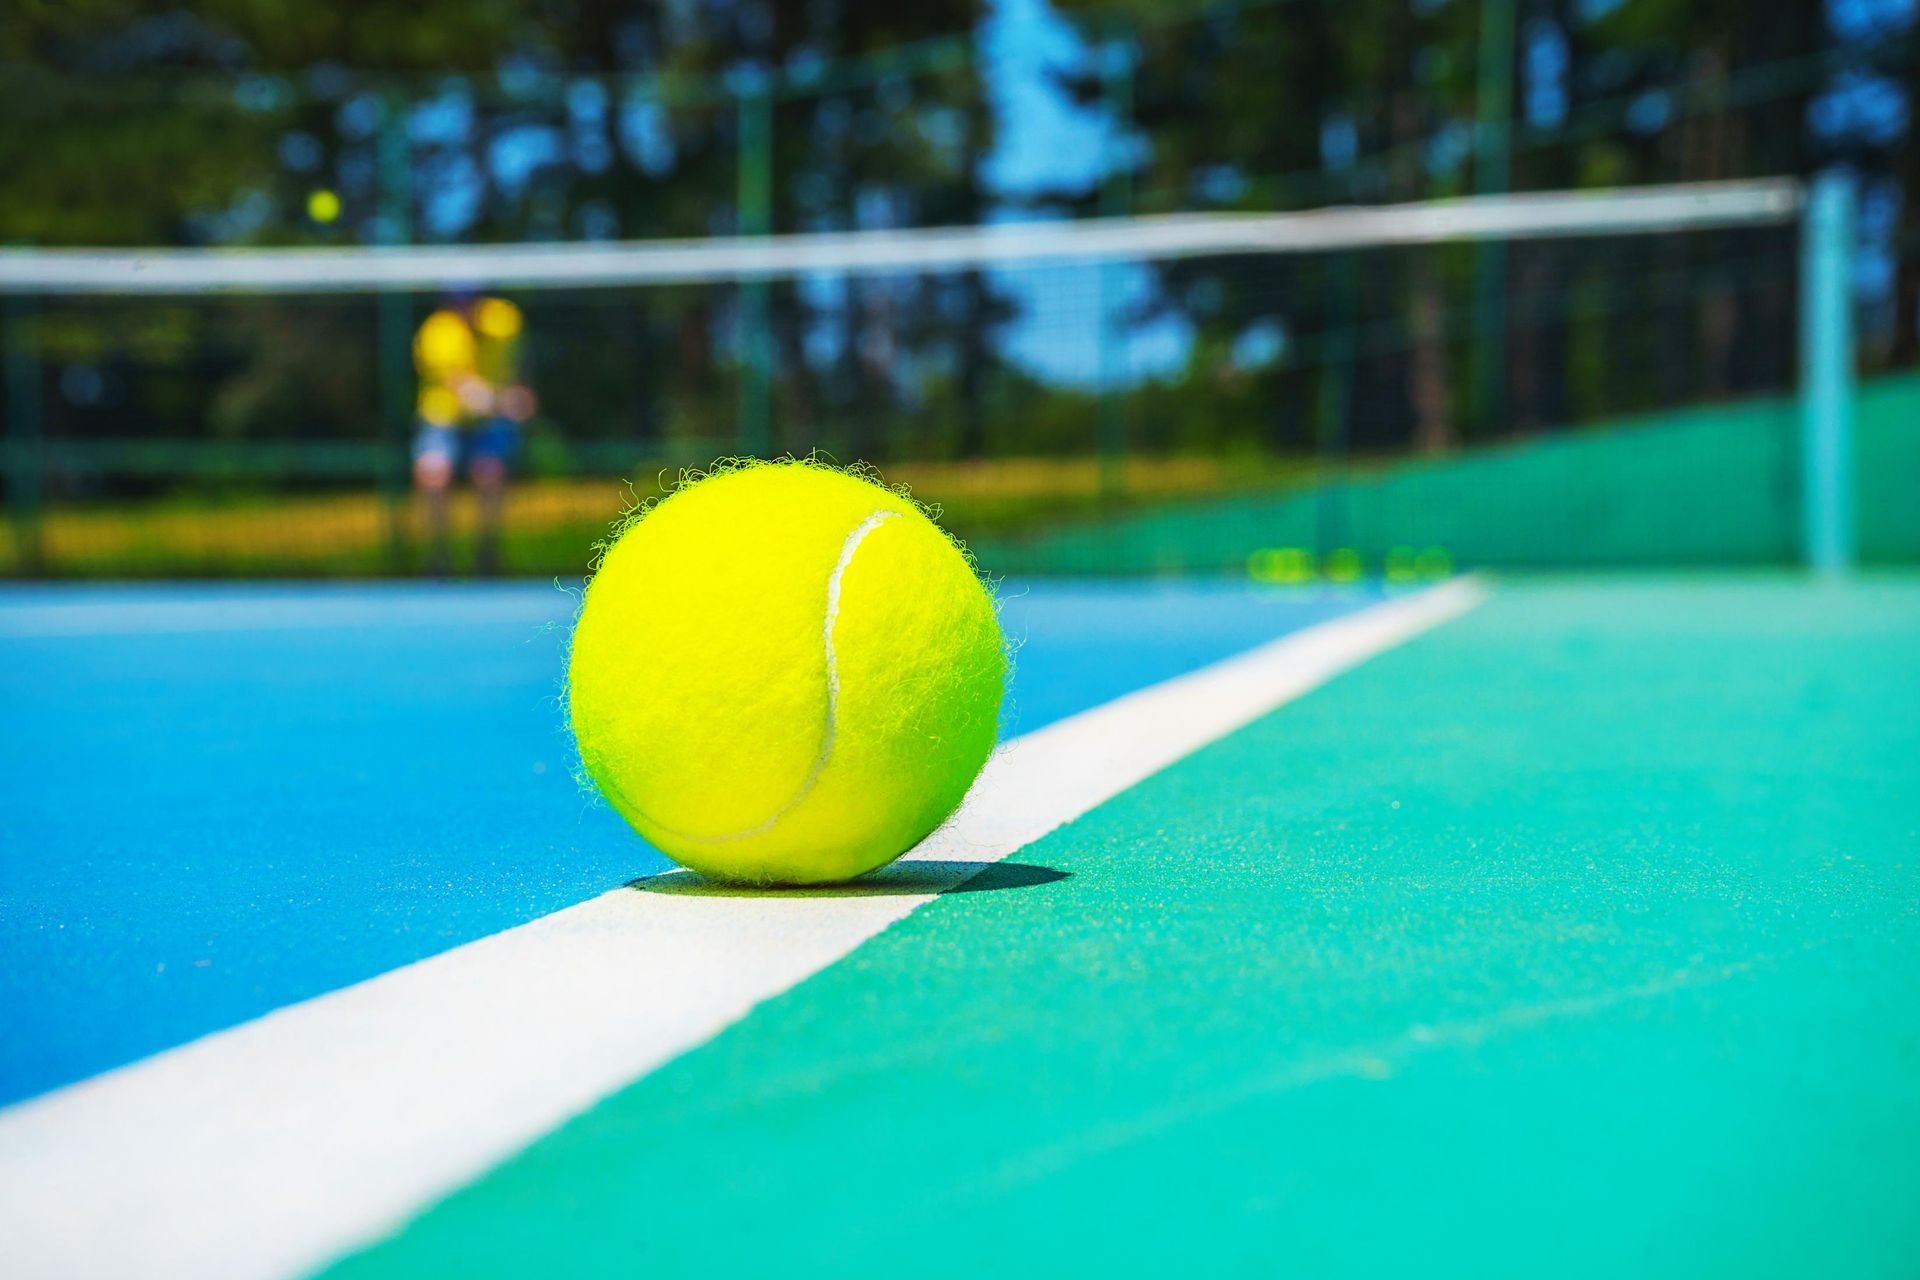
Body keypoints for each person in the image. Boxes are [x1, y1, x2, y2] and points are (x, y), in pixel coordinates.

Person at [411, 290, 536, 576]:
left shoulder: (504, 320)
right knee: (434, 474)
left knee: (490, 473)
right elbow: (462, 387)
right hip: (444, 416)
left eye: (469, 299)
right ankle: (439, 555)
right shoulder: (437, 331)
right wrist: (506, 401)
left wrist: (523, 391)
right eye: (457, 301)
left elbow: (518, 364)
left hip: (490, 419)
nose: (464, 307)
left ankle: (487, 554)